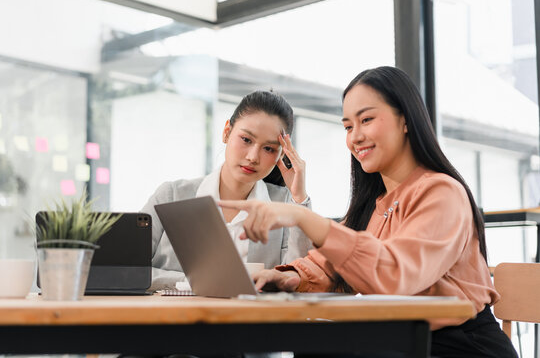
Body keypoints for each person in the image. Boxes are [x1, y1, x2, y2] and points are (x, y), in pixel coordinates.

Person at [218, 67, 518, 357]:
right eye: (348, 126)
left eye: (367, 120)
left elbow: (396, 274)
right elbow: (330, 264)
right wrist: (291, 277)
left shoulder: (442, 193)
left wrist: (303, 217)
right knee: (316, 345)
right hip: (403, 342)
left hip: (462, 347)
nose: (355, 136)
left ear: (405, 120)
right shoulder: (374, 205)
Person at [142, 90, 312, 292]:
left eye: (269, 149)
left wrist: (299, 199)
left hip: (250, 321)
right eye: (246, 140)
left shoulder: (284, 205)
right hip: (177, 319)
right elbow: (128, 269)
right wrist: (198, 282)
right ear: (226, 132)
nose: (253, 157)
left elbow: (298, 280)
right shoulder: (171, 195)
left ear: (281, 154)